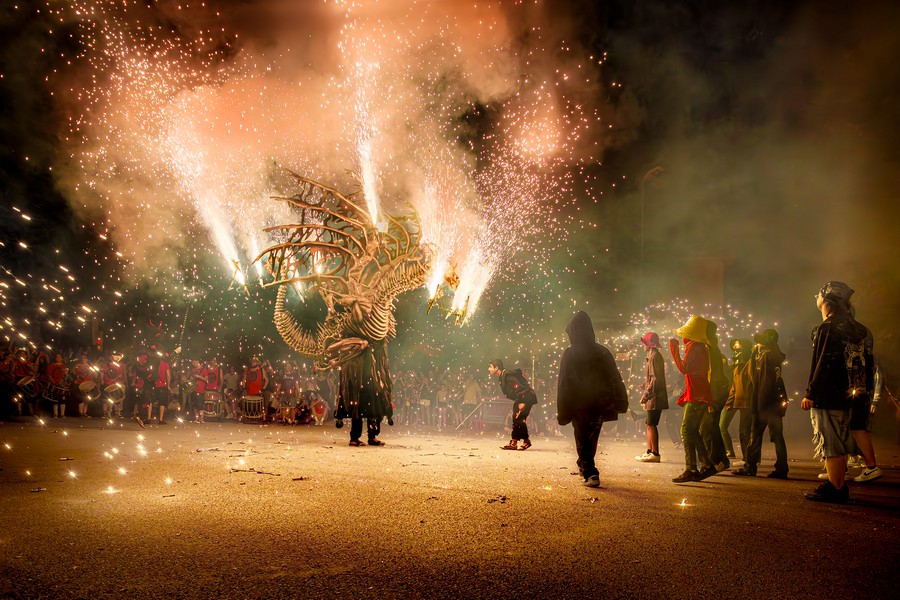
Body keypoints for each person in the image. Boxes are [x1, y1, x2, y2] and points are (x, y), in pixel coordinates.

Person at [801, 281, 874, 503]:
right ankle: (836, 483)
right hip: (854, 397)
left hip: (829, 396)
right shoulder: (862, 330)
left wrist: (810, 393)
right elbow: (869, 366)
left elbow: (823, 362)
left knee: (830, 442)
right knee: (840, 441)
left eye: (818, 295)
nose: (816, 298)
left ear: (826, 300)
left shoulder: (827, 328)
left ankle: (836, 487)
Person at [556, 311, 628, 487]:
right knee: (591, 436)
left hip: (579, 404)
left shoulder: (570, 353)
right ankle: (585, 465)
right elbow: (614, 377)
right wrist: (619, 401)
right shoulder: (602, 351)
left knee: (582, 437)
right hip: (600, 403)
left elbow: (564, 381)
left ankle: (590, 472)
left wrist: (563, 408)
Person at [732, 329, 789, 478]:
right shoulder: (771, 354)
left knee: (756, 436)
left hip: (765, 403)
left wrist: (759, 406)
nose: (757, 344)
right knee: (776, 437)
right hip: (773, 403)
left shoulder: (768, 356)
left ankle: (750, 467)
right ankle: (781, 468)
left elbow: (766, 383)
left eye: (760, 342)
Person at [669, 315, 716, 483]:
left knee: (686, 430)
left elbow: (684, 368)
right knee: (693, 431)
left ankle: (691, 469)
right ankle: (706, 465)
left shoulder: (695, 347)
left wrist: (674, 349)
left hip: (697, 395)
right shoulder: (699, 346)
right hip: (698, 393)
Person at [489, 358, 538, 451]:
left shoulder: (507, 376)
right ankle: (515, 442)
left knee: (519, 418)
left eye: (490, 367)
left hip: (526, 396)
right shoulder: (502, 376)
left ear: (496, 368)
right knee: (516, 418)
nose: (489, 369)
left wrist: (522, 401)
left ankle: (524, 441)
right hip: (521, 397)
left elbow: (519, 387)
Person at [847, 363, 884, 482]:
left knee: (858, 428)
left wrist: (875, 401)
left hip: (863, 398)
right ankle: (854, 458)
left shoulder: (869, 359)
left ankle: (868, 464)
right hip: (859, 397)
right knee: (853, 428)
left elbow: (879, 379)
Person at [636, 332, 668, 463]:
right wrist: (644, 385)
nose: (642, 345)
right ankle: (649, 451)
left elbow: (655, 380)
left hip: (656, 397)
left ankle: (655, 453)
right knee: (648, 424)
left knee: (651, 424)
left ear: (650, 344)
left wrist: (645, 395)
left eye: (644, 343)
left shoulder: (655, 357)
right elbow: (652, 378)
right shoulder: (651, 356)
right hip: (653, 396)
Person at [721, 339, 753, 464]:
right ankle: (747, 459)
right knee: (742, 431)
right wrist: (729, 402)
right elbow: (734, 386)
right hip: (737, 399)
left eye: (738, 344)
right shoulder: (736, 366)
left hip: (747, 401)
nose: (735, 346)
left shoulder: (750, 363)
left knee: (745, 432)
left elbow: (753, 383)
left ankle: (749, 460)